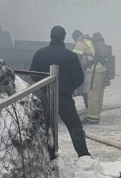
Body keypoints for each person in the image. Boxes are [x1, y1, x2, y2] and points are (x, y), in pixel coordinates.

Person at [30, 26, 90, 157]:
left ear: (51, 36)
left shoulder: (40, 53)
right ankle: (83, 155)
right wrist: (69, 87)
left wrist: (44, 86)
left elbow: (33, 75)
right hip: (64, 97)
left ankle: (46, 155)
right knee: (75, 127)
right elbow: (79, 77)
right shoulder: (70, 56)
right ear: (64, 37)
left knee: (44, 127)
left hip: (45, 97)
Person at [72, 30, 98, 121]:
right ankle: (91, 113)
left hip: (89, 69)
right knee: (89, 93)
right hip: (94, 68)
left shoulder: (80, 43)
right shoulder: (88, 40)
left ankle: (91, 116)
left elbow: (74, 57)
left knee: (88, 92)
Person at [84, 32, 109, 124]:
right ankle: (96, 114)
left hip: (94, 71)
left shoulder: (84, 43)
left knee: (92, 94)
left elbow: (78, 56)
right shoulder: (92, 42)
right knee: (98, 94)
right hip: (101, 69)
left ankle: (92, 118)